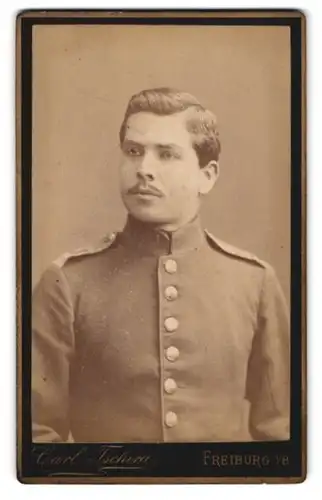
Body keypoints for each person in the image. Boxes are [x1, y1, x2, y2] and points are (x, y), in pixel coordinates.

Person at [32, 87, 290, 443]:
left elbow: (283, 435)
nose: (144, 170)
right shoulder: (67, 283)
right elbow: (36, 436)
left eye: (166, 155)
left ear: (207, 175)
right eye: (133, 152)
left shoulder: (254, 282)